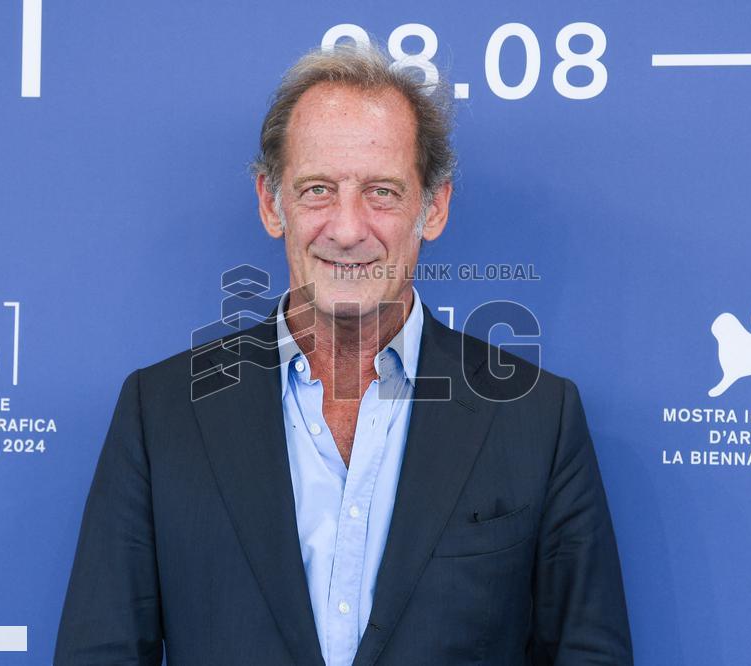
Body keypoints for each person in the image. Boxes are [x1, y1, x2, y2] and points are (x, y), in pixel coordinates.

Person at [55, 43, 633, 665]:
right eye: (318, 190)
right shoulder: (160, 412)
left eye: (382, 191)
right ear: (270, 203)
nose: (349, 229)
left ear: (432, 207)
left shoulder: (537, 418)